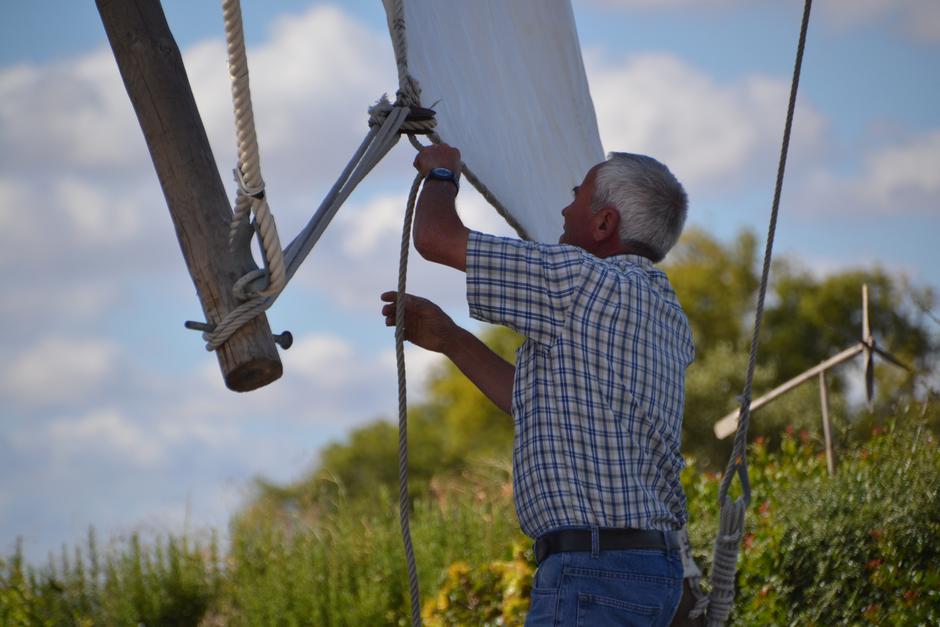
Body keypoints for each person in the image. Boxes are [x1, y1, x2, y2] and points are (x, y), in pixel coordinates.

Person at [380, 143, 694, 626]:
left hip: (593, 572)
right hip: (652, 574)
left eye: (575, 196)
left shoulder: (579, 282)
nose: (564, 210)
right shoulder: (666, 312)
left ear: (604, 224)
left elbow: (436, 238)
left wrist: (442, 172)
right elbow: (536, 403)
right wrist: (452, 340)